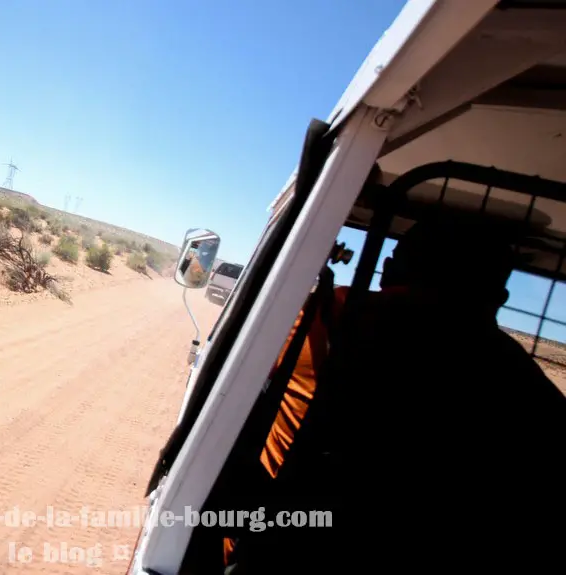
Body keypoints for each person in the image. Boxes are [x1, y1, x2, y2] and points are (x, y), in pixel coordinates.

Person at [223, 210, 566, 572]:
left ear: (387, 269)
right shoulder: (520, 379)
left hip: (283, 540)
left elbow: (244, 379)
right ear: (497, 295)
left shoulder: (327, 315)